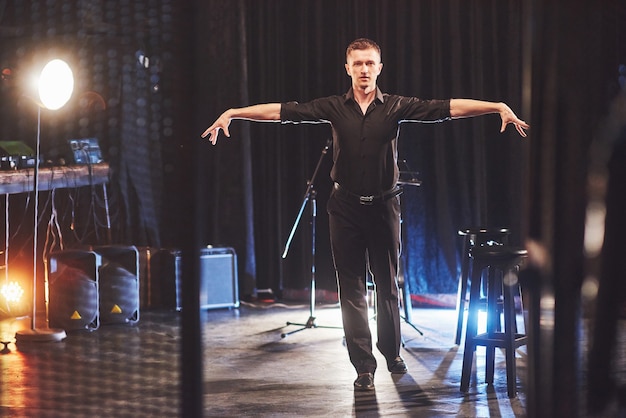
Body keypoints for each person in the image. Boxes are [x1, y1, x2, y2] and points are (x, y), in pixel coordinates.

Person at [202, 38, 529, 391]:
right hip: (343, 208)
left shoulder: (396, 106)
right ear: (347, 68)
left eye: (370, 63)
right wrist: (234, 112)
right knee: (351, 288)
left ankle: (392, 351)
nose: (364, 69)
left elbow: (445, 108)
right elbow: (283, 112)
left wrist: (496, 106)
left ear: (379, 67)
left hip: (385, 207)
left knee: (388, 286)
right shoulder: (332, 107)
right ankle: (363, 366)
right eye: (357, 63)